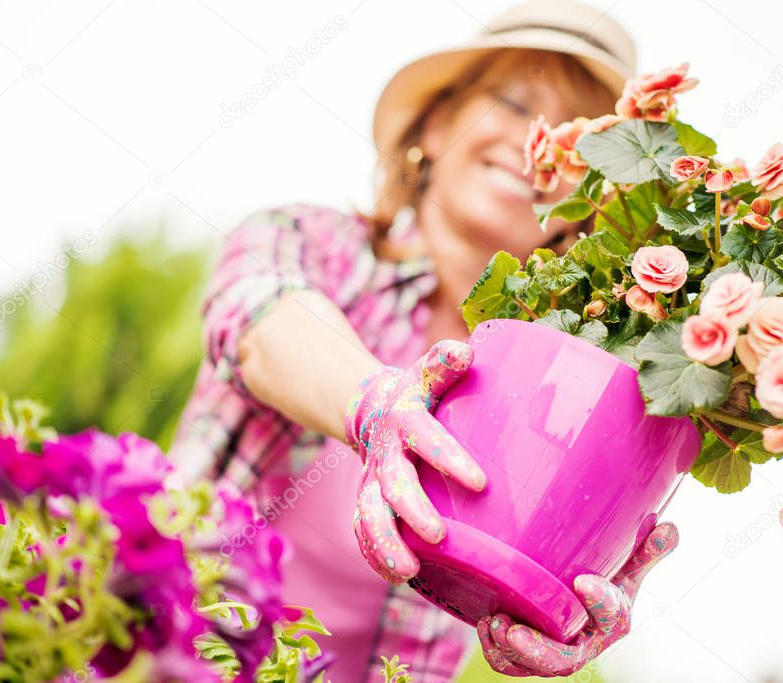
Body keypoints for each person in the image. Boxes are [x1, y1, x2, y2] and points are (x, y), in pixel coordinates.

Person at [170, 2, 678, 680]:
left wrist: (574, 593)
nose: (541, 141)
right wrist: (374, 403)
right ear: (435, 124)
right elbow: (258, 316)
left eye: (581, 137)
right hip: (154, 648)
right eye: (513, 100)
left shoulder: (572, 397)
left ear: (592, 201)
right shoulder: (316, 243)